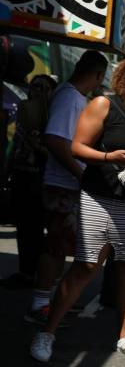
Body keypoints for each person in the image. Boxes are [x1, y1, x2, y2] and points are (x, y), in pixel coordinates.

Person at [30, 55, 125, 363]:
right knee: (87, 266)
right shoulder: (104, 105)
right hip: (100, 197)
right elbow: (76, 147)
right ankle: (47, 332)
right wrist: (111, 158)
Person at [24, 51, 108, 324]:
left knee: (60, 245)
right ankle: (39, 305)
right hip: (63, 184)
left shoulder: (72, 95)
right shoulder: (71, 97)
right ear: (98, 76)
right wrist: (80, 174)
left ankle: (47, 301)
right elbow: (55, 140)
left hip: (66, 183)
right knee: (56, 246)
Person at [4, 74, 56, 288]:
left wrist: (39, 147)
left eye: (44, 87)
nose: (38, 91)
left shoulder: (54, 116)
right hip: (22, 175)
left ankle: (39, 276)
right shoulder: (24, 111)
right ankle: (25, 271)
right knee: (24, 228)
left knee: (38, 230)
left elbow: (58, 153)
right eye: (35, 86)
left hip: (42, 179)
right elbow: (15, 146)